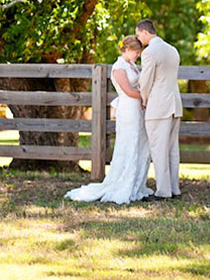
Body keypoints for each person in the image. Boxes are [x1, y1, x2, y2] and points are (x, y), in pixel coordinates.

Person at [65, 36, 154, 204]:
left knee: (140, 144)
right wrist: (147, 98)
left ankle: (137, 184)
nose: (138, 55)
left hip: (138, 109)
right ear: (127, 50)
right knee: (129, 144)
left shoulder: (132, 65)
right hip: (129, 109)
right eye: (136, 52)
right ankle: (124, 184)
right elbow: (127, 90)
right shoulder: (119, 67)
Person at [136, 18, 183, 200]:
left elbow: (145, 81)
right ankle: (174, 189)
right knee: (172, 149)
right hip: (174, 105)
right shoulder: (173, 50)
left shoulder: (150, 52)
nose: (139, 39)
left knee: (158, 149)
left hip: (158, 106)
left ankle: (163, 192)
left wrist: (144, 100)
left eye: (139, 35)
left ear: (146, 32)